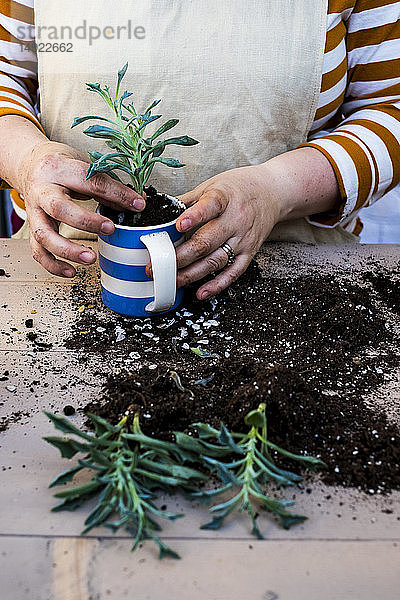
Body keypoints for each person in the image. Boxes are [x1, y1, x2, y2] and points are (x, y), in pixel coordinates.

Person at [0, 1, 399, 301]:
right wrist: (26, 160)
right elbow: (7, 76)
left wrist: (277, 189)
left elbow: (389, 108)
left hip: (292, 278)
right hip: (73, 275)